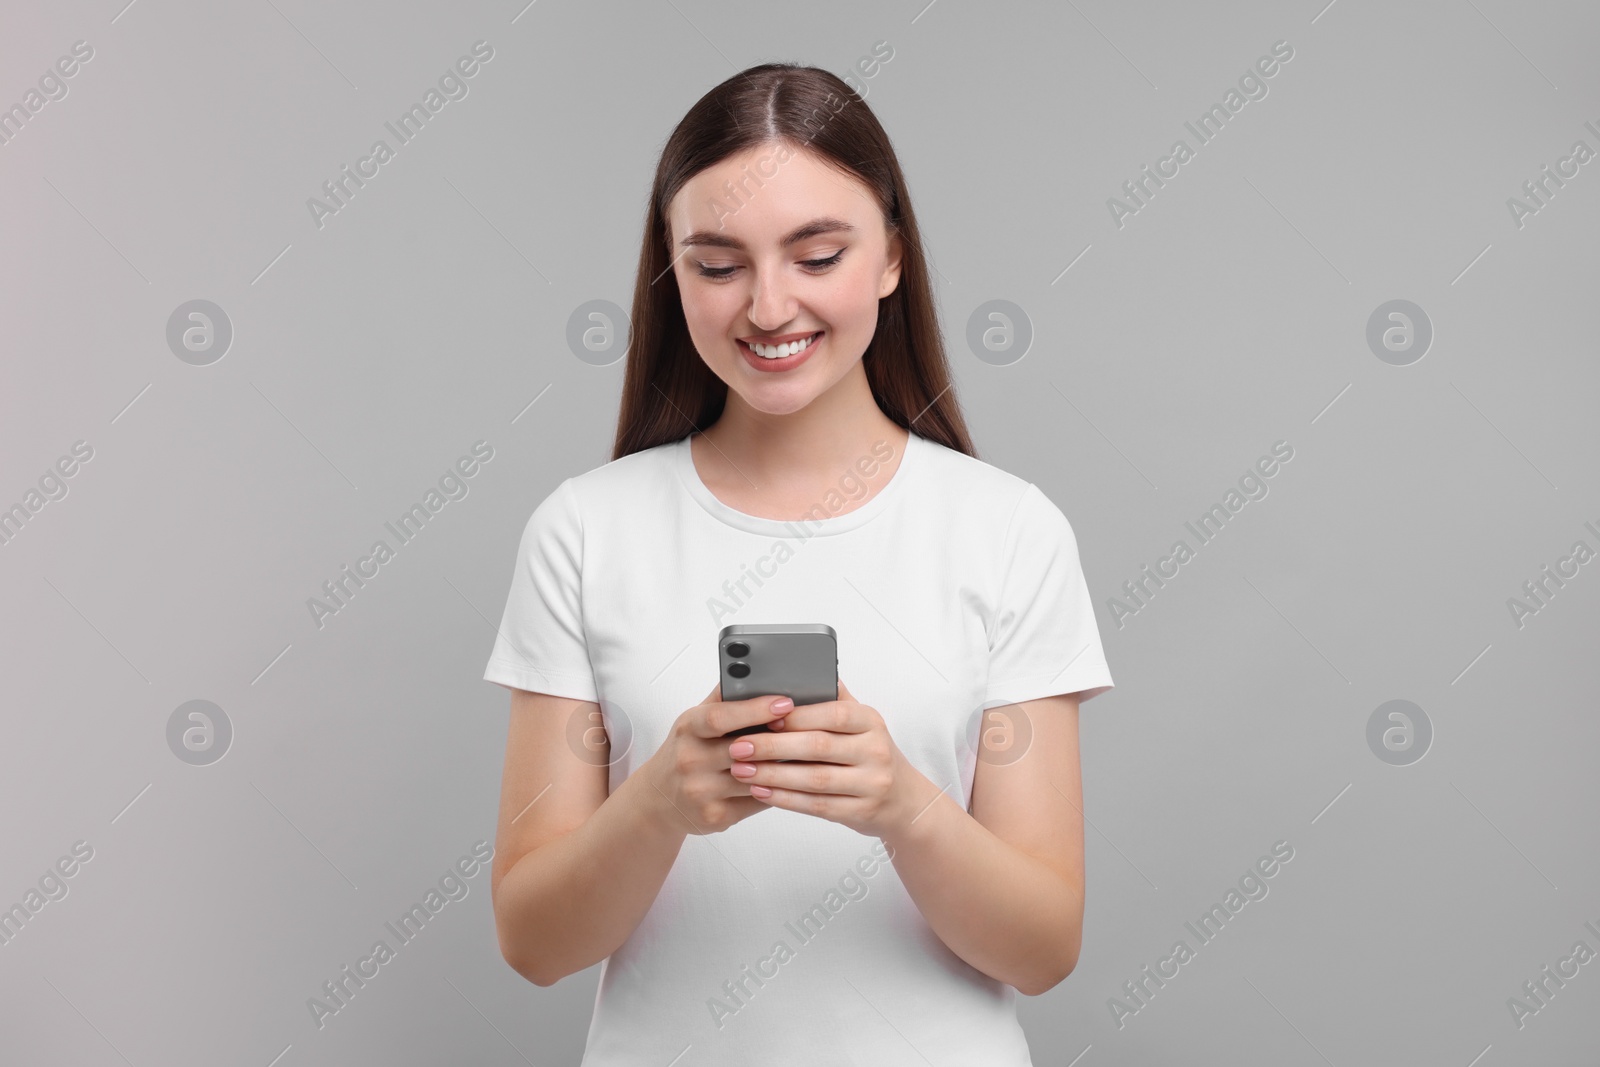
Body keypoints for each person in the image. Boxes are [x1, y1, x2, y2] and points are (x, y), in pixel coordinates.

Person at [483, 62, 1114, 1065]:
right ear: (671, 272)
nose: (768, 306)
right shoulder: (584, 531)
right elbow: (533, 939)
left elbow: (1043, 947)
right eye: (717, 263)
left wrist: (903, 805)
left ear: (892, 257)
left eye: (817, 253)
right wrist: (659, 799)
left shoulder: (1007, 531)